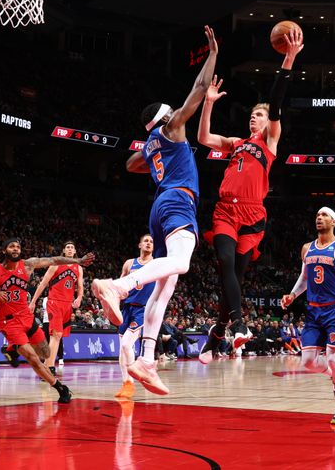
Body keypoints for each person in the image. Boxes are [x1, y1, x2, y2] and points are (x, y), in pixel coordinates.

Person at [91, 25, 219, 396]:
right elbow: (196, 91)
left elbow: (131, 164)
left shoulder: (151, 144)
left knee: (165, 288)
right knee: (181, 264)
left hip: (159, 207)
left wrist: (151, 153)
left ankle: (146, 358)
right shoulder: (174, 128)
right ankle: (119, 285)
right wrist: (212, 55)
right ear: (167, 116)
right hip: (179, 200)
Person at [197, 29, 304, 362]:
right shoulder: (236, 143)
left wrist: (288, 60)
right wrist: (208, 104)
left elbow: (275, 103)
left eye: (257, 115)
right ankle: (240, 325)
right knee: (226, 264)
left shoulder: (269, 142)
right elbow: (202, 137)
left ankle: (217, 333)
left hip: (253, 217)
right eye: (252, 115)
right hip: (226, 212)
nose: (253, 117)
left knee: (236, 277)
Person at [281, 207, 335, 427]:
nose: (320, 218)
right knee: (308, 361)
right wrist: (292, 295)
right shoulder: (306, 249)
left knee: (332, 357)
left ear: (334, 221)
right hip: (314, 311)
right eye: (318, 215)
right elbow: (304, 278)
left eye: (325, 215)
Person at [0, 238, 94, 404]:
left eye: (18, 247)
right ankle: (60, 388)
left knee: (45, 352)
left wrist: (78, 262)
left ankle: (12, 349)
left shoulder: (28, 265)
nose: (15, 249)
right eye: (11, 246)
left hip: (27, 316)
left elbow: (55, 261)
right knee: (36, 356)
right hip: (11, 321)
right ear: (4, 251)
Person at [30, 240, 84, 377]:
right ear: (64, 251)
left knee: (58, 337)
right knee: (56, 335)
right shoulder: (55, 265)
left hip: (67, 304)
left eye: (72, 247)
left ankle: (47, 365)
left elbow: (81, 287)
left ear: (75, 251)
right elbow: (42, 284)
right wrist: (33, 301)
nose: (70, 249)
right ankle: (48, 367)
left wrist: (79, 298)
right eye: (68, 247)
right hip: (54, 302)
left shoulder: (78, 268)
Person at [114, 234, 155, 400]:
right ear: (139, 244)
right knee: (122, 349)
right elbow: (120, 286)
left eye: (151, 242)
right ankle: (126, 383)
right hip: (127, 308)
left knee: (126, 344)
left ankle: (134, 375)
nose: (149, 243)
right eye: (146, 240)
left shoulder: (156, 264)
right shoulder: (129, 263)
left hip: (143, 309)